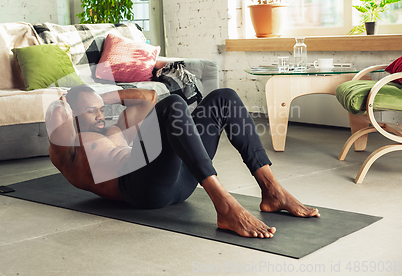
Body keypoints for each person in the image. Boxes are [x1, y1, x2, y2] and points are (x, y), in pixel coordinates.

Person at [46, 85, 319, 239]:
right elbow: (56, 113)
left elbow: (149, 97)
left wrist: (97, 98)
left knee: (225, 99)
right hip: (141, 189)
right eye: (91, 111)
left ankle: (271, 190)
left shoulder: (117, 128)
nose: (99, 115)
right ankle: (224, 205)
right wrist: (66, 100)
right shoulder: (70, 148)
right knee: (174, 104)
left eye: (101, 110)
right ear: (74, 113)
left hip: (179, 182)